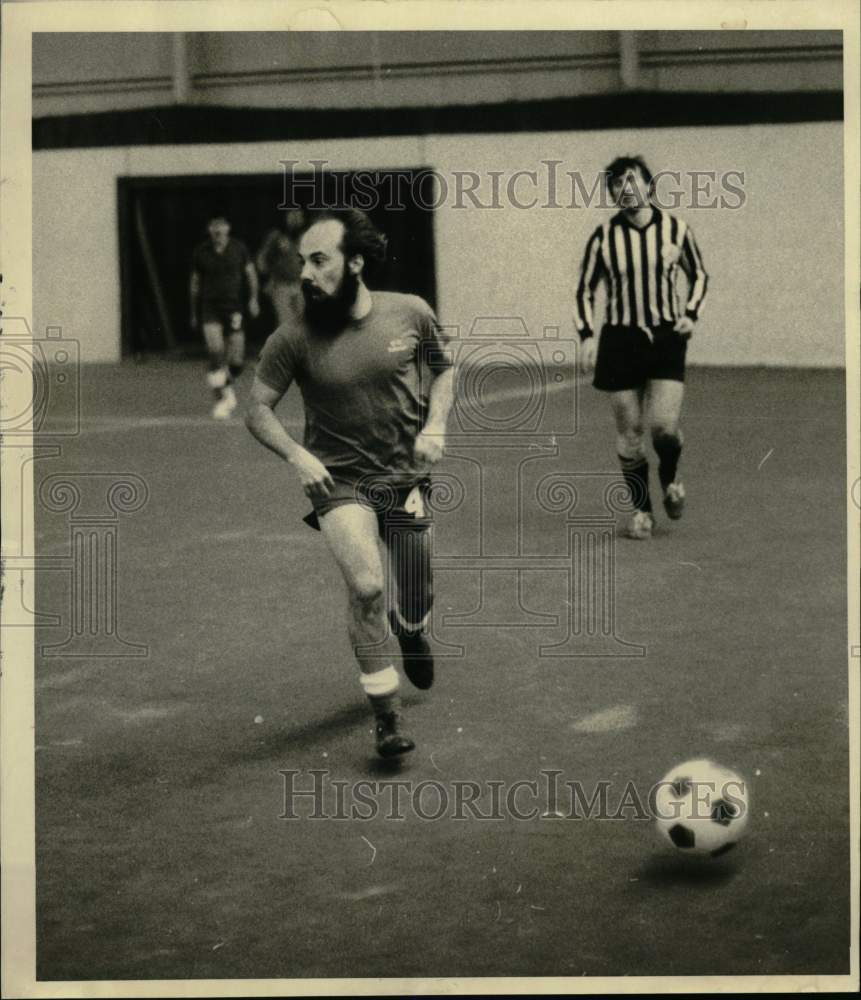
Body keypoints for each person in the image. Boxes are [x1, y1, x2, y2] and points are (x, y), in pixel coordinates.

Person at [245, 209, 454, 758]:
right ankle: (386, 717)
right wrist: (295, 455)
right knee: (366, 588)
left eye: (319, 261)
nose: (306, 275)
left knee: (417, 589)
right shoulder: (292, 337)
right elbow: (258, 409)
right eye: (302, 263)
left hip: (405, 477)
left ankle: (409, 629)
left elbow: (444, 369)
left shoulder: (409, 312)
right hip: (340, 485)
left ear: (355, 262)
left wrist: (435, 423)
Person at [574, 155, 708, 539]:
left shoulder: (676, 230)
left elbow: (698, 274)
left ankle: (670, 477)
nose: (624, 189)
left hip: (666, 337)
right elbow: (585, 289)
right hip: (620, 340)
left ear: (649, 186)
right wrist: (587, 334)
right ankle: (642, 511)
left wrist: (691, 313)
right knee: (630, 433)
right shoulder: (604, 236)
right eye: (616, 184)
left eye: (631, 181)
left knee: (664, 429)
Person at [190, 215, 260, 419]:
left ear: (228, 229)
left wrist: (253, 299)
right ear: (209, 230)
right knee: (215, 351)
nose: (218, 231)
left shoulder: (239, 249)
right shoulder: (201, 252)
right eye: (214, 227)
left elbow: (251, 275)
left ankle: (226, 386)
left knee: (236, 361)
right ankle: (220, 399)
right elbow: (194, 283)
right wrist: (193, 311)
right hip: (210, 307)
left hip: (233, 307)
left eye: (221, 227)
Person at [256, 210, 305, 327]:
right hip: (281, 285)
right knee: (286, 323)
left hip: (302, 285)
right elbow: (261, 258)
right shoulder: (276, 236)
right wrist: (268, 277)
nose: (295, 219)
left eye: (298, 215)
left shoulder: (306, 237)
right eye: (292, 215)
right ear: (286, 218)